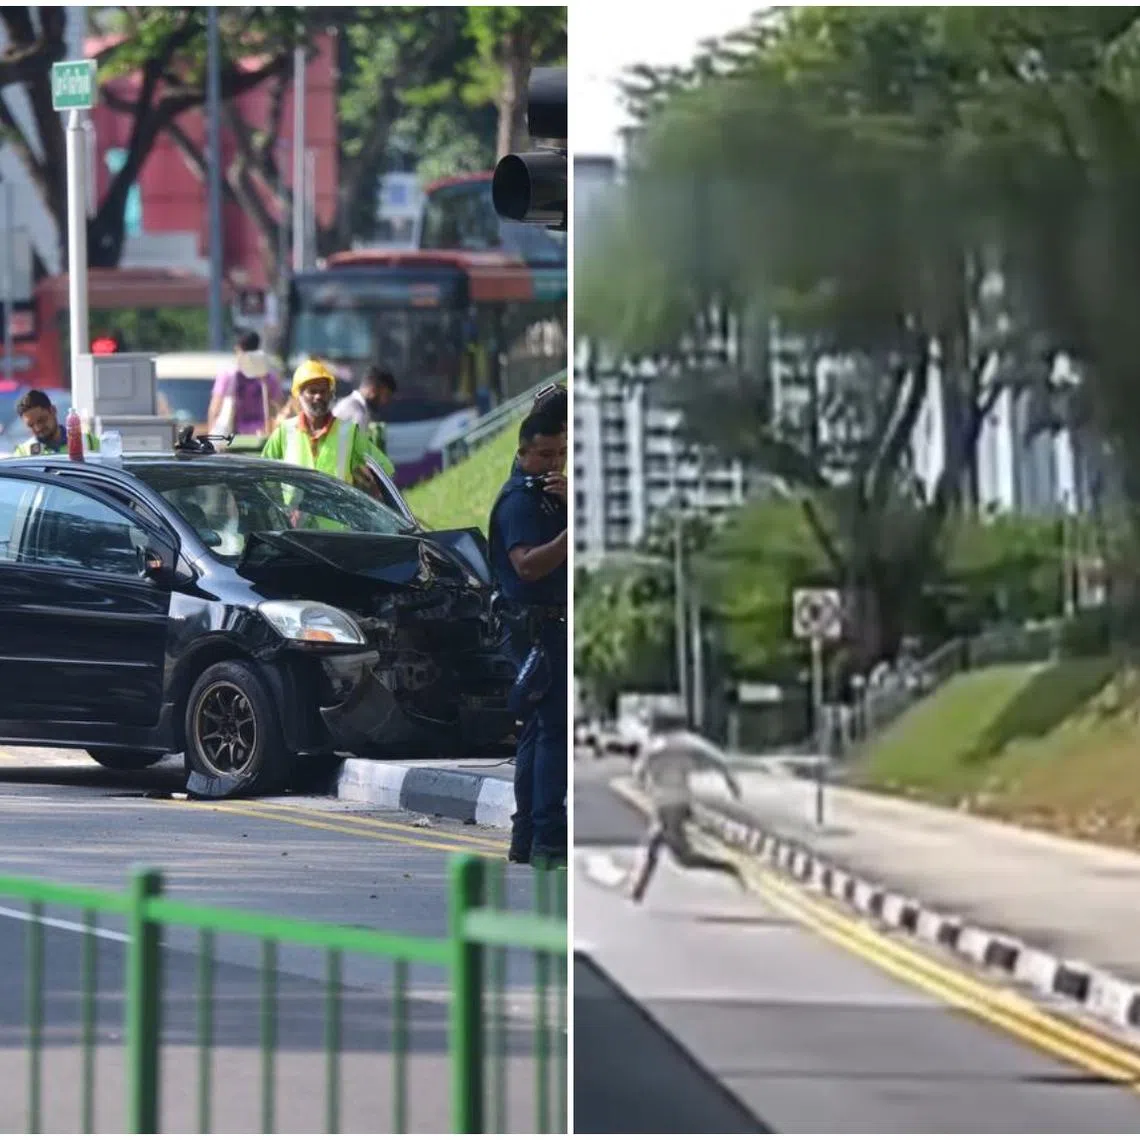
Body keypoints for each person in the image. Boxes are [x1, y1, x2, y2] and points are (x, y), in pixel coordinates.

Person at [489, 405, 568, 868]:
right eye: (543, 454)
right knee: (553, 732)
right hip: (533, 629)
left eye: (560, 453)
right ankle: (547, 838)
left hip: (542, 625)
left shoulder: (549, 494)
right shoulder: (520, 499)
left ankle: (527, 838)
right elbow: (527, 564)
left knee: (537, 734)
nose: (552, 463)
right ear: (521, 453)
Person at [627, 712, 747, 903]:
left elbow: (638, 773)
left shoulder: (655, 745)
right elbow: (718, 759)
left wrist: (644, 782)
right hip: (680, 802)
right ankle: (637, 890)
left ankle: (728, 868)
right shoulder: (688, 742)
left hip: (667, 806)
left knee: (682, 857)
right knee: (653, 846)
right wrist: (731, 783)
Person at [261, 358, 395, 486]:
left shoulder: (349, 433)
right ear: (299, 396)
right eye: (312, 391)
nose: (318, 396)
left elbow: (384, 468)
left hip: (336, 509)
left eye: (323, 391)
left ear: (331, 394)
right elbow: (263, 473)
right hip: (293, 510)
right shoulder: (285, 431)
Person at [207, 331, 284, 438]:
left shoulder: (227, 375)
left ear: (238, 348)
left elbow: (215, 408)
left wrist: (212, 435)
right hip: (262, 435)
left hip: (232, 435)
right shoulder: (269, 377)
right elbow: (278, 408)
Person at [10, 390, 100, 456]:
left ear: (53, 410)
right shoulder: (23, 453)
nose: (38, 428)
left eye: (41, 420)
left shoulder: (89, 442)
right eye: (31, 425)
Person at [333, 365, 396, 452]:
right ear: (374, 389)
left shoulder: (355, 406)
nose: (385, 402)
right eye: (386, 396)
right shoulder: (356, 411)